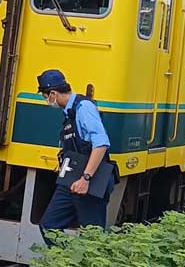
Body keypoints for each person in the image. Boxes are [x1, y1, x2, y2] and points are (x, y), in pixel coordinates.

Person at [37, 69, 113, 243]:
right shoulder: (69, 113)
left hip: (90, 180)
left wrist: (86, 178)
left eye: (45, 96)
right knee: (49, 225)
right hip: (70, 178)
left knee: (91, 236)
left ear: (53, 93)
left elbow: (101, 143)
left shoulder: (84, 108)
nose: (46, 100)